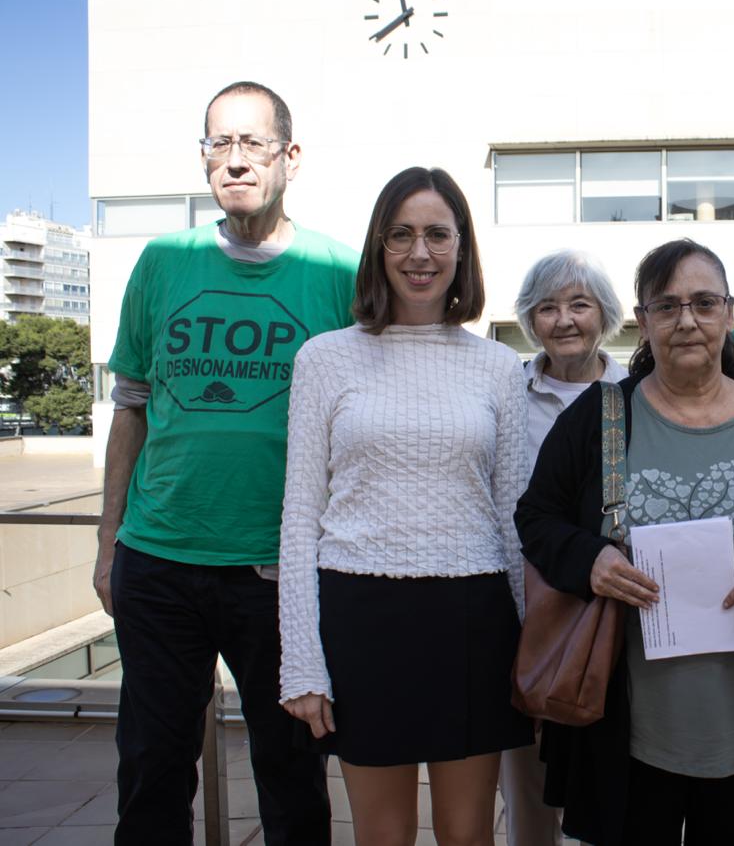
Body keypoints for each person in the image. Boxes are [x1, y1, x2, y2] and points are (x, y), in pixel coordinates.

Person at [514, 238, 734, 846]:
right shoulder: (600, 417)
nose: (687, 321)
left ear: (730, 313)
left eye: (703, 303)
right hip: (630, 724)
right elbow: (536, 519)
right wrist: (589, 560)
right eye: (667, 306)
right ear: (644, 322)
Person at [92, 80, 354, 845]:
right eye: (219, 144)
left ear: (289, 156)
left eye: (252, 143)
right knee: (150, 767)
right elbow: (131, 408)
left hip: (279, 572)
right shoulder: (162, 262)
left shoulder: (338, 274)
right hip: (159, 559)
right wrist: (108, 544)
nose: (234, 160)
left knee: (293, 770)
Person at [278, 166, 531, 846]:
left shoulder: (499, 368)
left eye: (437, 235)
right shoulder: (324, 359)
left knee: (468, 834)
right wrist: (301, 660)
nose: (421, 253)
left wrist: (533, 641)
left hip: (475, 620)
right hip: (363, 618)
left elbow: (514, 520)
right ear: (379, 247)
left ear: (461, 248)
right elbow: (301, 519)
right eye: (402, 234)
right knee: (381, 837)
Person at [500, 250, 628, 846]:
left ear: (604, 313)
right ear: (530, 320)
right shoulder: (505, 392)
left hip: (606, 609)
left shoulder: (634, 393)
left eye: (579, 304)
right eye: (547, 307)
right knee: (522, 780)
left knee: (600, 776)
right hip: (516, 609)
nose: (565, 320)